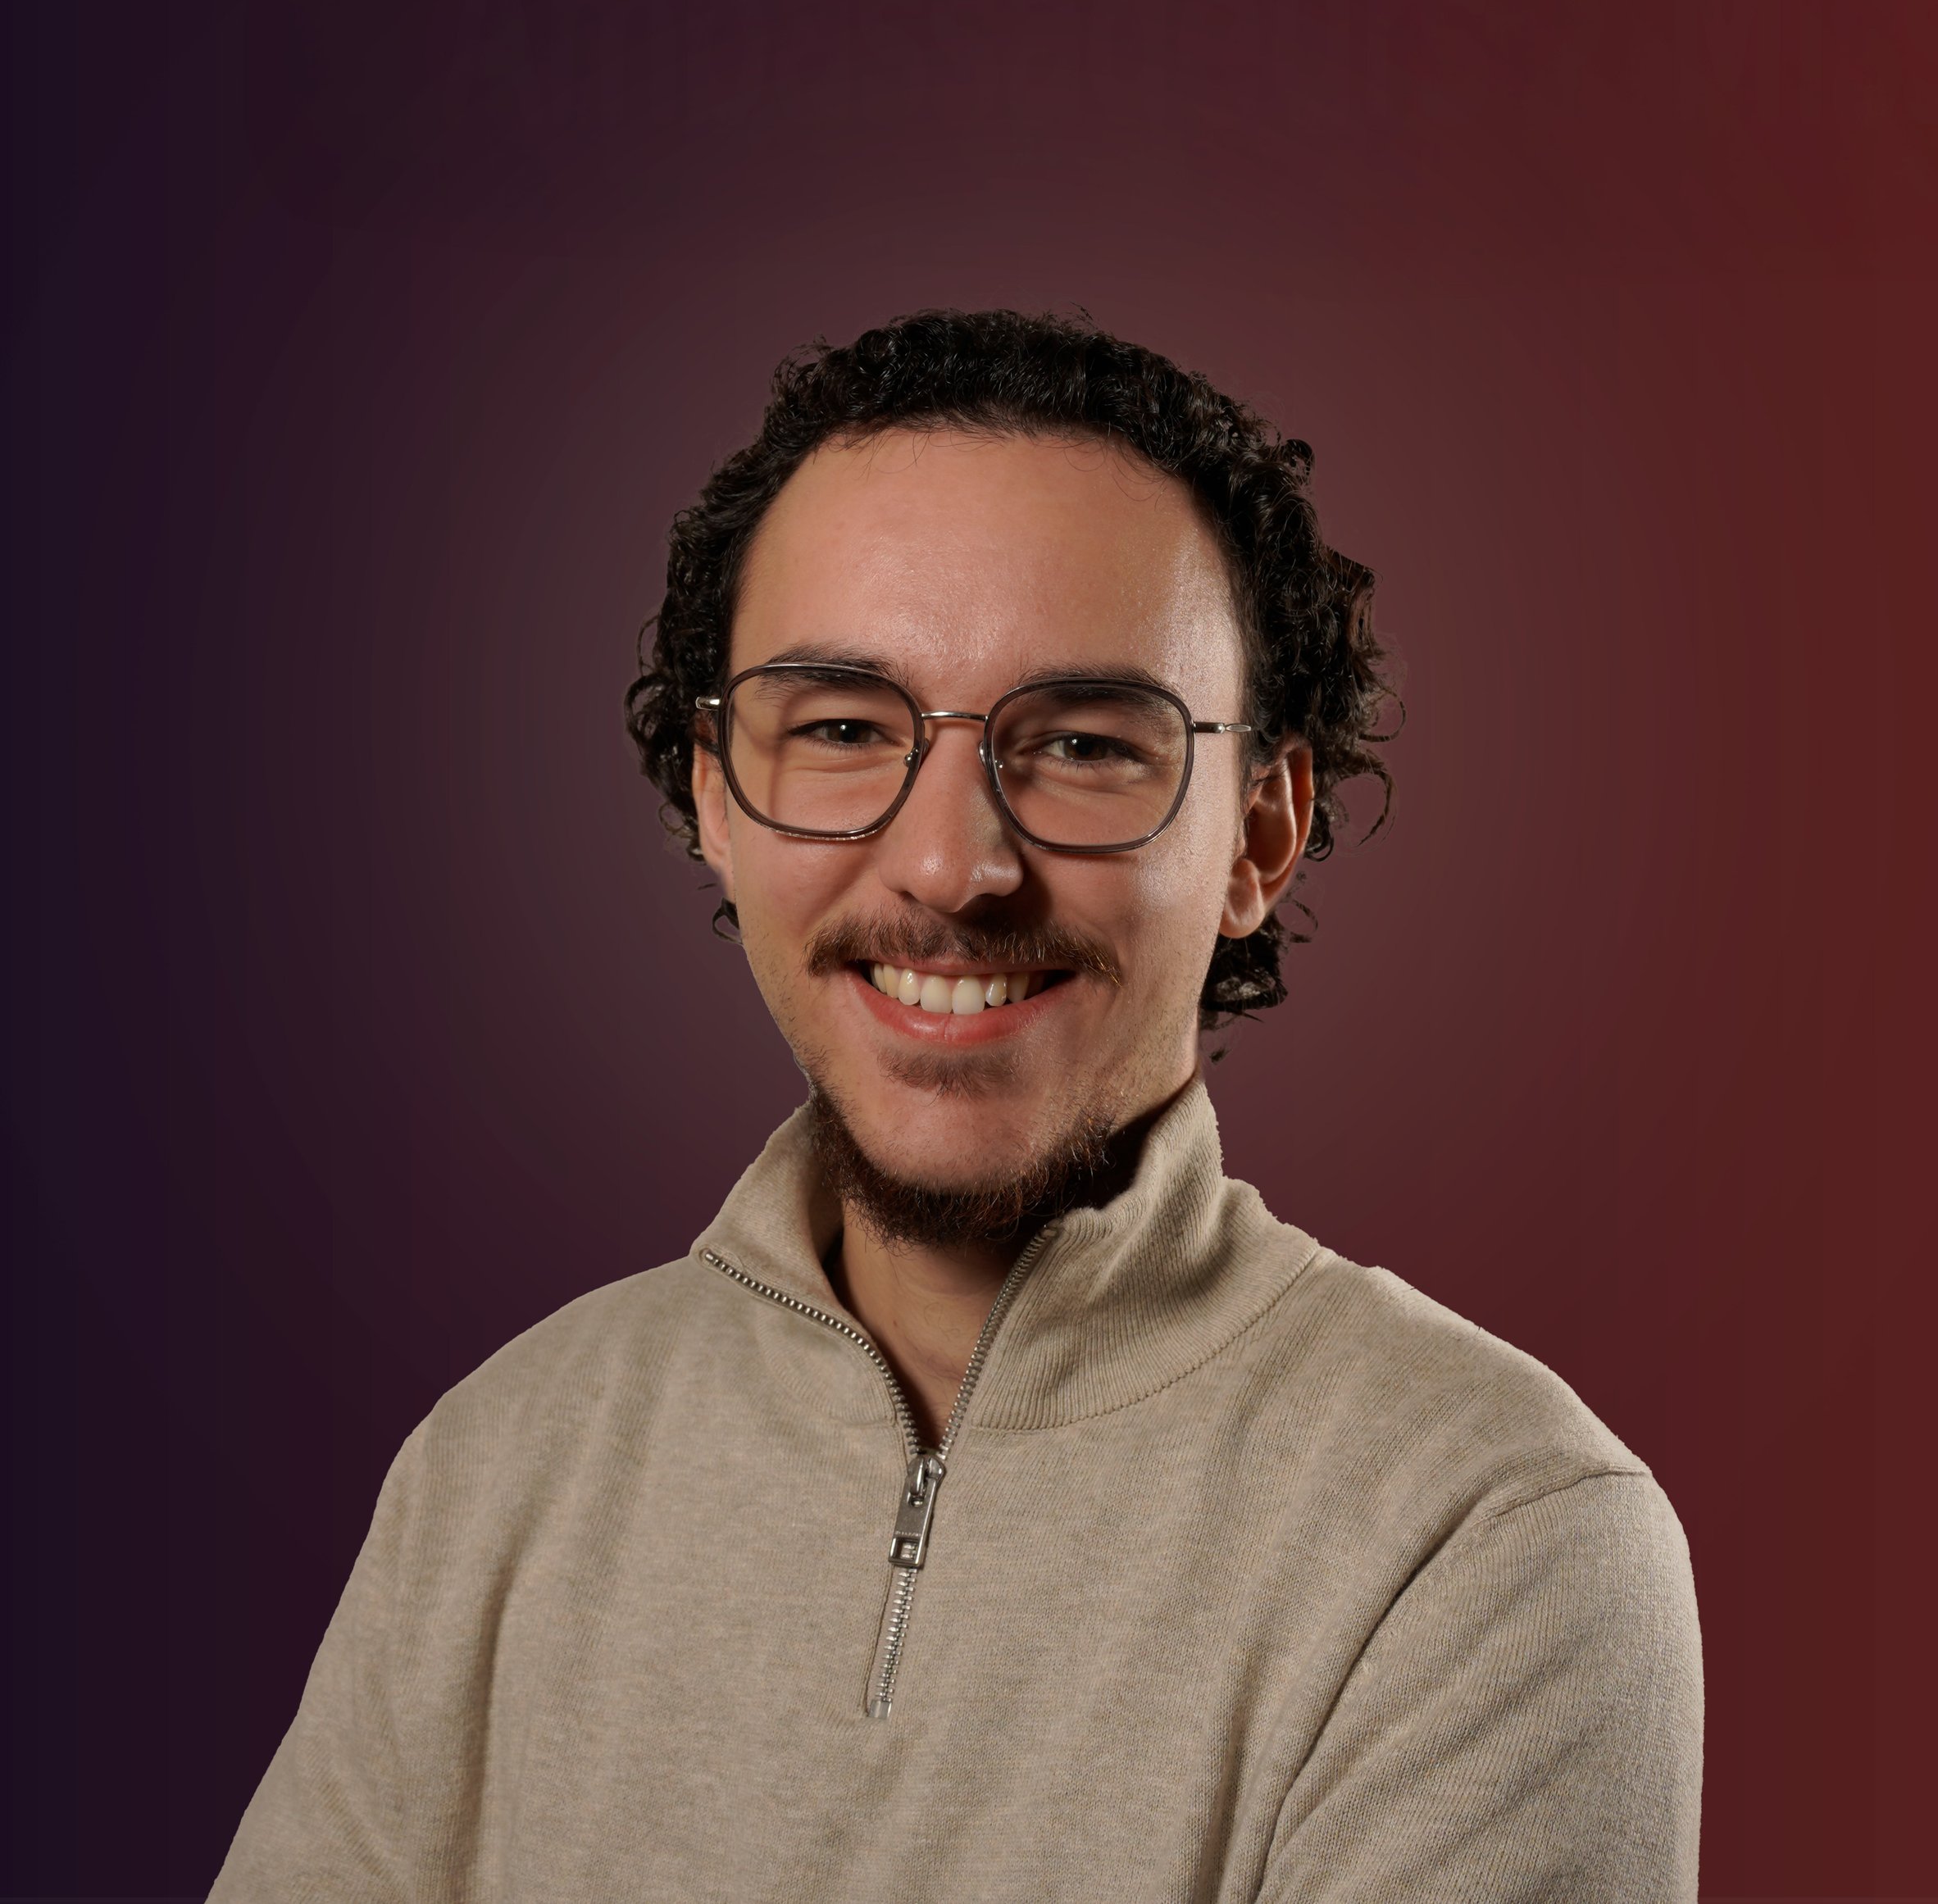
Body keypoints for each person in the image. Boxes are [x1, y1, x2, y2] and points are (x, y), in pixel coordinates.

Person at [210, 307, 1704, 1900]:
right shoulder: (498, 1470)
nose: (949, 866)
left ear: (1259, 834)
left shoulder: (1490, 1535)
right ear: (714, 794)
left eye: (1078, 743)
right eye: (844, 729)